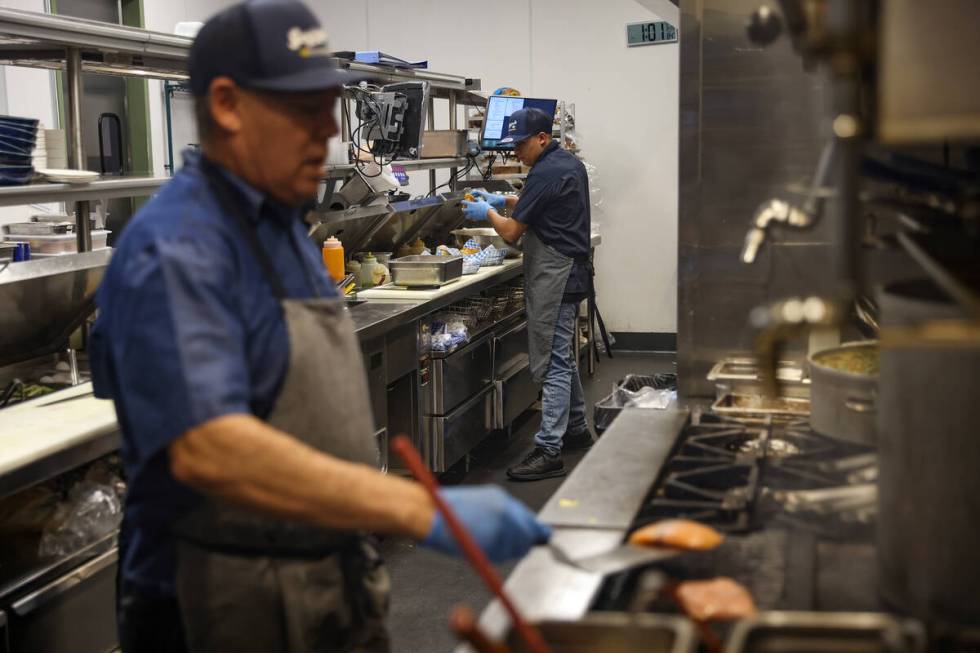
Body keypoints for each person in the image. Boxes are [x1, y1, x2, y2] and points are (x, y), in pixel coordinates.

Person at [90, 2, 549, 652]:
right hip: (219, 602)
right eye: (303, 110)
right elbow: (209, 450)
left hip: (317, 583)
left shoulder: (284, 229)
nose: (327, 130)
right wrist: (419, 508)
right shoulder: (177, 248)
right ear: (226, 105)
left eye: (328, 105)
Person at [461, 107, 596, 482]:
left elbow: (511, 234)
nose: (515, 152)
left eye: (520, 144)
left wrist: (487, 212)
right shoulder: (564, 163)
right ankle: (576, 428)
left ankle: (548, 449)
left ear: (541, 138)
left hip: (557, 276)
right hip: (568, 274)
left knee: (550, 363)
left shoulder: (547, 170)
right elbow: (537, 205)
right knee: (563, 357)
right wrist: (501, 200)